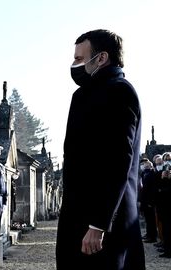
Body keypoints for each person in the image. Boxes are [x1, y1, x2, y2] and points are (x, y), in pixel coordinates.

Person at [56, 29, 144, 270]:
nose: (74, 65)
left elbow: (118, 162)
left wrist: (99, 224)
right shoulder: (84, 95)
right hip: (79, 216)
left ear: (102, 58)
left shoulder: (119, 91)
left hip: (102, 225)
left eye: (79, 58)